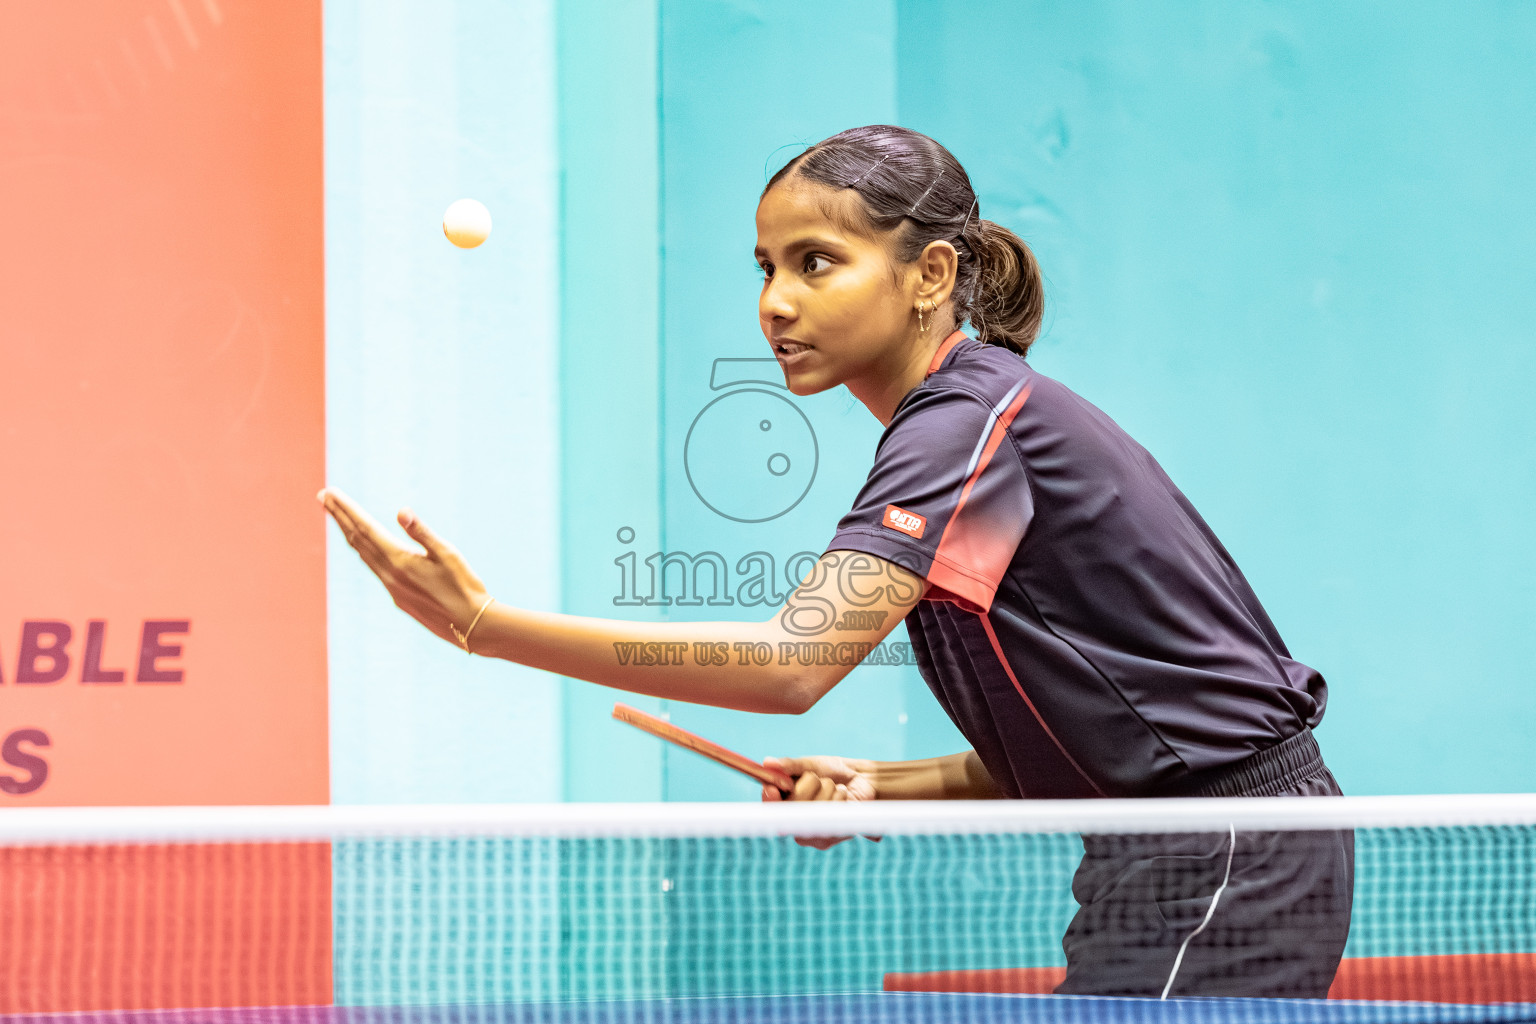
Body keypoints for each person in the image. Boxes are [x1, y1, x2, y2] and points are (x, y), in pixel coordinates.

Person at [320, 123, 1353, 998]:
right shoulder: (967, 423)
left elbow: (790, 666)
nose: (776, 302)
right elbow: (1101, 738)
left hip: (1225, 851)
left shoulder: (966, 425)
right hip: (1175, 848)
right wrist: (882, 786)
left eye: (815, 263)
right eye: (766, 268)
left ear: (930, 275)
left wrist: (485, 626)